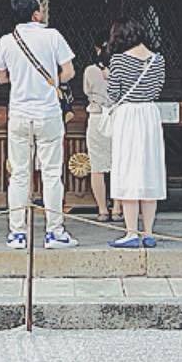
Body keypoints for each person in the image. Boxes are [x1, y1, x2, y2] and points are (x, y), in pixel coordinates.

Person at [0, 0, 78, 250]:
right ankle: (54, 231)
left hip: (19, 113)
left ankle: (17, 233)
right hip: (48, 113)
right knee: (52, 174)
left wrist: (19, 79)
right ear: (35, 14)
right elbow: (69, 72)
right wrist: (51, 81)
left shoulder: (7, 41)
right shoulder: (53, 36)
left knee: (18, 175)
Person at [103, 18, 167, 248]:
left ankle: (131, 232)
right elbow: (158, 89)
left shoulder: (118, 60)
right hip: (150, 114)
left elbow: (113, 94)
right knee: (150, 171)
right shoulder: (158, 60)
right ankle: (148, 232)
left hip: (128, 116)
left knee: (128, 170)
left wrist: (108, 78)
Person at [80, 35, 116, 222]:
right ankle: (118, 209)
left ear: (97, 49)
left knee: (97, 166)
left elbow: (86, 91)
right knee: (120, 165)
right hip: (118, 116)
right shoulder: (121, 70)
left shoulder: (90, 71)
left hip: (96, 116)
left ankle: (102, 209)